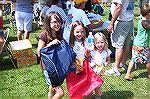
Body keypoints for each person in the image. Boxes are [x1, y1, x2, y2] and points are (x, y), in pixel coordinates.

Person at [66, 21, 104, 98]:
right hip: (75, 66)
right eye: (77, 32)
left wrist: (87, 54)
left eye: (82, 32)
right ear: (72, 31)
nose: (80, 34)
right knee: (77, 84)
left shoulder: (85, 41)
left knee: (87, 82)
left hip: (84, 64)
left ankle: (90, 95)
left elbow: (88, 55)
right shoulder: (70, 43)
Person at [37, 12, 64, 99]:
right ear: (48, 23)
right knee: (60, 93)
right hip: (49, 68)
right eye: (54, 22)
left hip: (56, 66)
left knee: (52, 89)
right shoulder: (44, 35)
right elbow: (39, 52)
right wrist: (51, 44)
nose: (57, 24)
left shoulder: (59, 33)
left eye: (59, 21)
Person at [106, 0, 135, 76]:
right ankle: (123, 63)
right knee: (126, 44)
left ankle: (116, 69)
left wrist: (111, 23)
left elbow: (118, 7)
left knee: (119, 45)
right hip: (129, 21)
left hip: (121, 22)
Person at [124, 3, 150, 80]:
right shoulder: (145, 23)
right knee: (148, 60)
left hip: (137, 43)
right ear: (148, 14)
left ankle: (128, 74)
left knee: (133, 60)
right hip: (141, 45)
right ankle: (149, 75)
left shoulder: (142, 20)